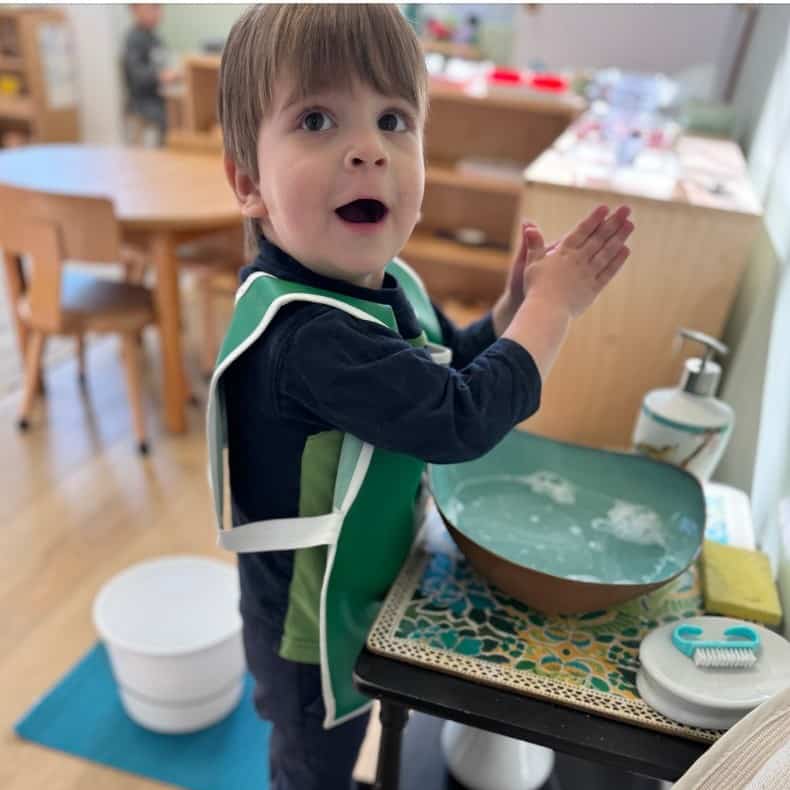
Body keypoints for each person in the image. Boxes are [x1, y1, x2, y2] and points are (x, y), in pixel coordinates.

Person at [207, 6, 634, 790]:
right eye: (316, 120)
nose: (368, 149)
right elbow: (458, 420)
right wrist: (552, 312)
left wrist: (508, 315)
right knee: (314, 766)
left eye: (393, 119)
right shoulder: (309, 337)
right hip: (307, 625)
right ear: (248, 183)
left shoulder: (379, 280)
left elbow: (441, 372)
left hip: (359, 586)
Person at [121, 4, 180, 145]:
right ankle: (165, 151)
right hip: (142, 101)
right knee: (169, 117)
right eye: (152, 7)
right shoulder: (134, 39)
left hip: (159, 97)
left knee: (179, 111)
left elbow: (164, 63)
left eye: (158, 7)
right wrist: (160, 76)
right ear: (135, 9)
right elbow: (136, 74)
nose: (157, 12)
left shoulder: (155, 38)